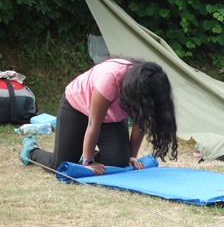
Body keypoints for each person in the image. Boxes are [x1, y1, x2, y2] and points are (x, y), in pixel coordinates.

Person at [19, 57, 178, 174]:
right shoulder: (112, 78)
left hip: (110, 117)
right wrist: (89, 162)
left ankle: (82, 152)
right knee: (61, 165)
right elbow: (93, 123)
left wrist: (132, 157)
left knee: (119, 163)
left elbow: (140, 123)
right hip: (77, 106)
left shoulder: (147, 87)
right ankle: (31, 151)